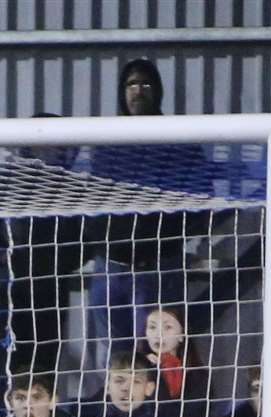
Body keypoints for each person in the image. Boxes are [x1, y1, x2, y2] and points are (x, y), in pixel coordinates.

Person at [0, 123, 93, 403]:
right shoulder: (3, 182)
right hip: (7, 287)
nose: (53, 150)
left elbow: (90, 238)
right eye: (46, 142)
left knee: (45, 363)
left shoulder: (73, 189)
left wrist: (59, 262)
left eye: (59, 144)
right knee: (4, 367)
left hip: (49, 289)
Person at [86, 58, 210, 349]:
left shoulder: (180, 142)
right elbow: (90, 199)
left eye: (145, 84)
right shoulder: (106, 143)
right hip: (111, 268)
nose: (138, 91)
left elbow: (202, 198)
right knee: (115, 356)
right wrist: (100, 241)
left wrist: (169, 239)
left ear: (157, 91)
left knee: (156, 353)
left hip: (156, 266)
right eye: (131, 84)